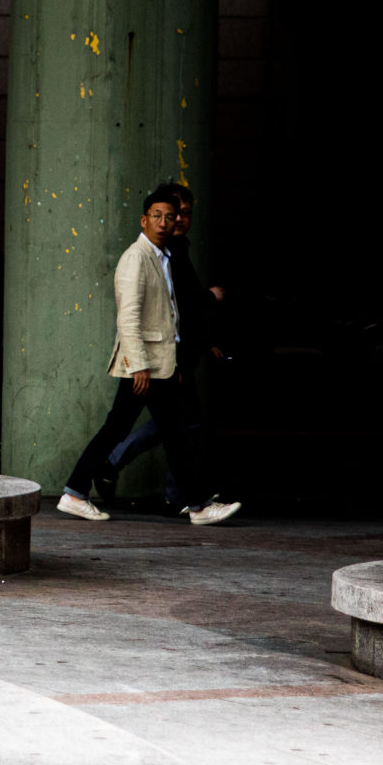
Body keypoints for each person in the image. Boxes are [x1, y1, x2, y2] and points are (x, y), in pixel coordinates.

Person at [56, 187, 241, 526]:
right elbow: (128, 317)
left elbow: (167, 313)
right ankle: (75, 494)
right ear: (144, 220)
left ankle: (76, 493)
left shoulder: (162, 257)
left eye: (170, 217)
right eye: (157, 216)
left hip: (158, 365)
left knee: (162, 431)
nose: (164, 222)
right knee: (138, 431)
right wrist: (139, 365)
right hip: (144, 367)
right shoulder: (136, 258)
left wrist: (172, 363)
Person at [100, 182, 224, 507]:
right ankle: (179, 495)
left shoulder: (173, 250)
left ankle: (181, 495)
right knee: (173, 424)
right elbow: (160, 310)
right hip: (162, 359)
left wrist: (205, 343)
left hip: (173, 356)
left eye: (183, 213)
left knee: (170, 424)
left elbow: (177, 309)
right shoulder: (152, 255)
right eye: (171, 214)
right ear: (148, 219)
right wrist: (209, 297)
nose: (177, 220)